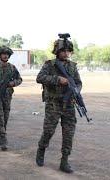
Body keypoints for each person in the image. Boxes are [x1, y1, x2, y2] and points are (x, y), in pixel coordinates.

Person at [35, 34, 82, 173]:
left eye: (68, 51)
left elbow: (78, 83)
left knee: (69, 134)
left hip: (69, 104)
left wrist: (76, 91)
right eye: (63, 50)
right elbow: (40, 78)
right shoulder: (49, 65)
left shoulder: (73, 67)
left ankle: (64, 161)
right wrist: (57, 79)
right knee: (49, 131)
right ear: (57, 51)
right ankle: (41, 149)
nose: (66, 53)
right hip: (53, 104)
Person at [0, 45, 22, 151]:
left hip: (7, 96)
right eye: (3, 54)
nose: (5, 56)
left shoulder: (12, 67)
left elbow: (19, 79)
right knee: (1, 117)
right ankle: (3, 139)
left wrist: (12, 83)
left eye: (7, 54)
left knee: (5, 117)